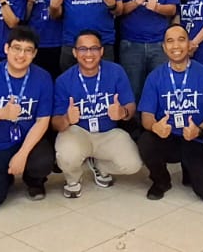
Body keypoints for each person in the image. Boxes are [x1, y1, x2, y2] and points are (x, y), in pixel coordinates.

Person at [0, 26, 55, 209]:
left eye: (28, 50)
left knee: (43, 160)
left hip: (28, 141)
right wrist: (2, 113)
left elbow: (42, 121)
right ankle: (5, 176)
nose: (21, 55)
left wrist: (22, 155)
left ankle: (34, 181)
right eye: (17, 48)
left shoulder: (43, 77)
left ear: (34, 54)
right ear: (6, 48)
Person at [51, 30, 142, 199]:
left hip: (108, 132)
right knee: (66, 154)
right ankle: (73, 179)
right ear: (75, 52)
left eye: (94, 48)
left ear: (101, 51)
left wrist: (122, 112)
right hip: (78, 132)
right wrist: (67, 119)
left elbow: (131, 106)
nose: (88, 54)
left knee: (133, 164)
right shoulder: (63, 80)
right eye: (83, 49)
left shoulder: (116, 71)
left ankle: (100, 165)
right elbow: (55, 122)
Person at [137, 25, 203, 201]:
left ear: (189, 44)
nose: (176, 46)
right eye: (170, 41)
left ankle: (189, 169)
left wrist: (199, 129)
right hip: (168, 138)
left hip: (195, 138)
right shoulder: (155, 77)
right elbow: (146, 117)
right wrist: (155, 126)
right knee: (146, 141)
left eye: (181, 40)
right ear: (164, 47)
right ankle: (161, 181)